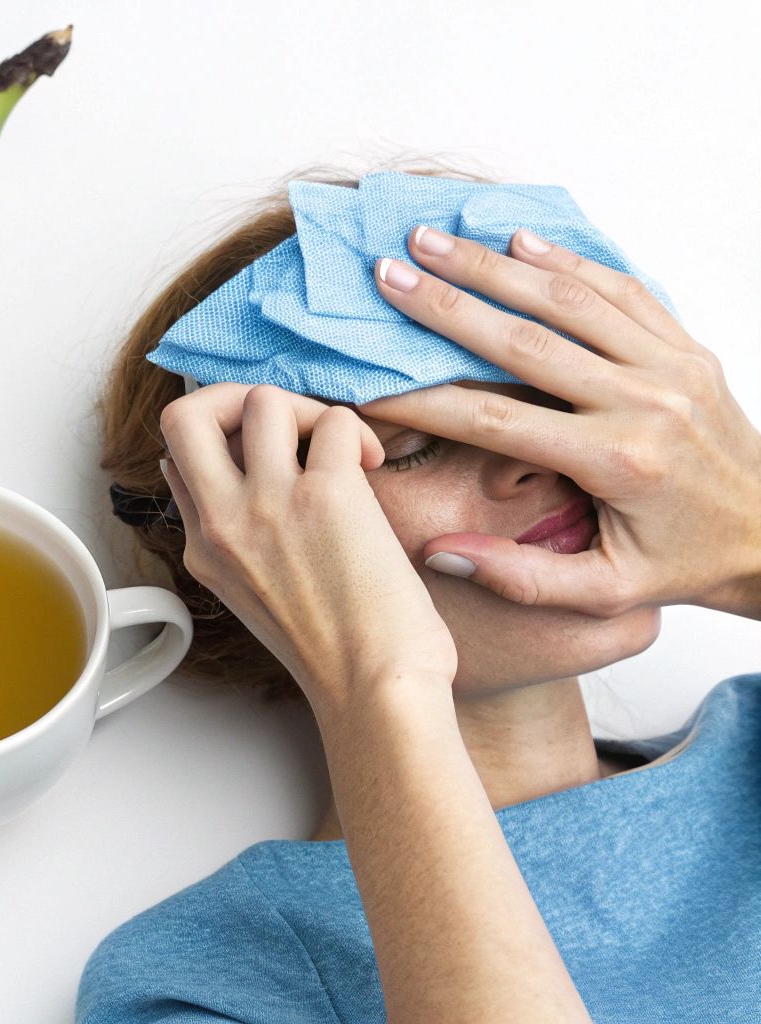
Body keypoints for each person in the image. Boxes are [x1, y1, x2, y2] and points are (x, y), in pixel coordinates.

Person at [79, 165, 761, 1023]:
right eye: (411, 447)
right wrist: (381, 685)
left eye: (556, 402)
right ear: (247, 553)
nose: (537, 456)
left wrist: (750, 545)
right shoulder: (216, 985)